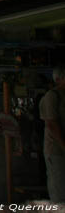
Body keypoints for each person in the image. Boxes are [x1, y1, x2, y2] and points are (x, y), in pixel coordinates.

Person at [39, 64, 65, 203]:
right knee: (59, 186)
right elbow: (51, 123)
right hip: (56, 150)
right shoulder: (52, 96)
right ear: (59, 79)